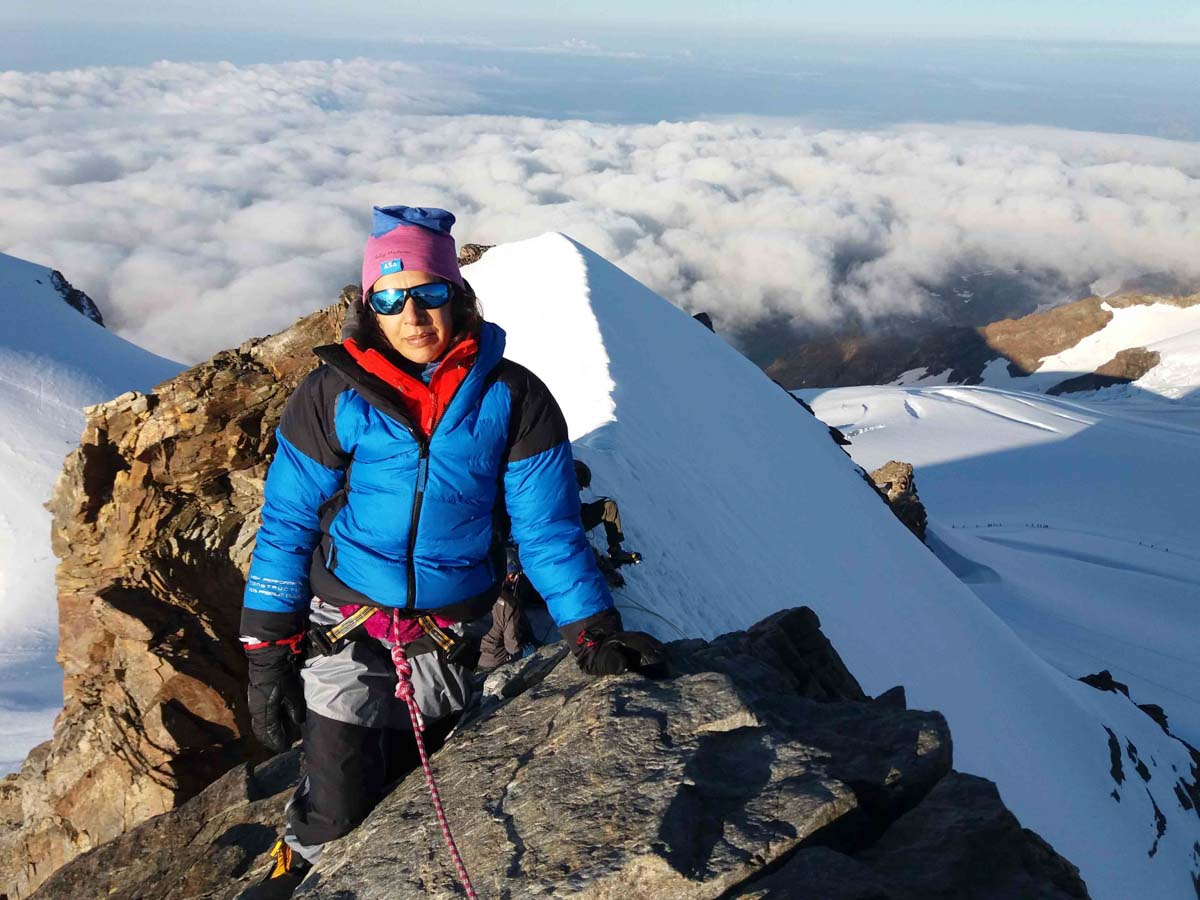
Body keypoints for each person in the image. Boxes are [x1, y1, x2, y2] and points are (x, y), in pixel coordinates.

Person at [238, 205, 663, 898]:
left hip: (450, 633)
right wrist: (266, 645)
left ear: (458, 297)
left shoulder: (514, 397)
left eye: (429, 292)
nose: (413, 314)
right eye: (391, 297)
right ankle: (299, 864)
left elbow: (548, 529)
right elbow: (286, 524)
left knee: (417, 792)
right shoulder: (332, 395)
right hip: (346, 623)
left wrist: (592, 631)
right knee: (341, 797)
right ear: (370, 308)